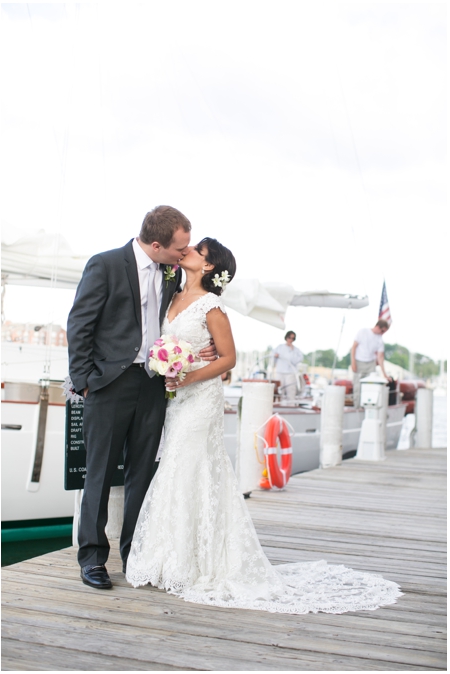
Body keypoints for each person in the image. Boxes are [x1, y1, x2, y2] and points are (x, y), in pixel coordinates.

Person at [125, 238, 401, 613]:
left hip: (199, 398)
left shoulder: (213, 307)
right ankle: (172, 556)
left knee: (189, 464)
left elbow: (228, 359)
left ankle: (193, 563)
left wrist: (188, 377)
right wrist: (168, 365)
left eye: (196, 251)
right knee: (178, 466)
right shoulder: (171, 293)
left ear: (207, 267)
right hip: (176, 400)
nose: (186, 251)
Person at [67, 205, 217, 590]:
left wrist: (206, 351)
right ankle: (92, 560)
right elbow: (79, 324)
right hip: (108, 386)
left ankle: (136, 555)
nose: (183, 254)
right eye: (179, 248)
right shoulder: (104, 265)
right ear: (156, 244)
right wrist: (84, 381)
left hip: (153, 385)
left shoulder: (172, 275)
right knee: (98, 475)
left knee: (142, 475)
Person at [351, 320, 390, 407]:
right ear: (378, 327)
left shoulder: (380, 339)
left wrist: (384, 374)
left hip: (371, 364)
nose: (382, 333)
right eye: (382, 331)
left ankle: (368, 406)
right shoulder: (363, 332)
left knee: (371, 386)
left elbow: (380, 357)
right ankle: (357, 407)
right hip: (359, 362)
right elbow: (354, 347)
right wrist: (353, 362)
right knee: (357, 387)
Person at [273, 330, 304, 400]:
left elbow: (297, 360)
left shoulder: (296, 350)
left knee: (291, 390)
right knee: (279, 390)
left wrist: (292, 350)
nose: (291, 340)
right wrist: (275, 356)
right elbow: (273, 357)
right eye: (289, 337)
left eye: (293, 338)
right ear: (286, 337)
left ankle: (291, 405)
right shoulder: (279, 347)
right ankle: (279, 405)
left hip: (290, 373)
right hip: (280, 372)